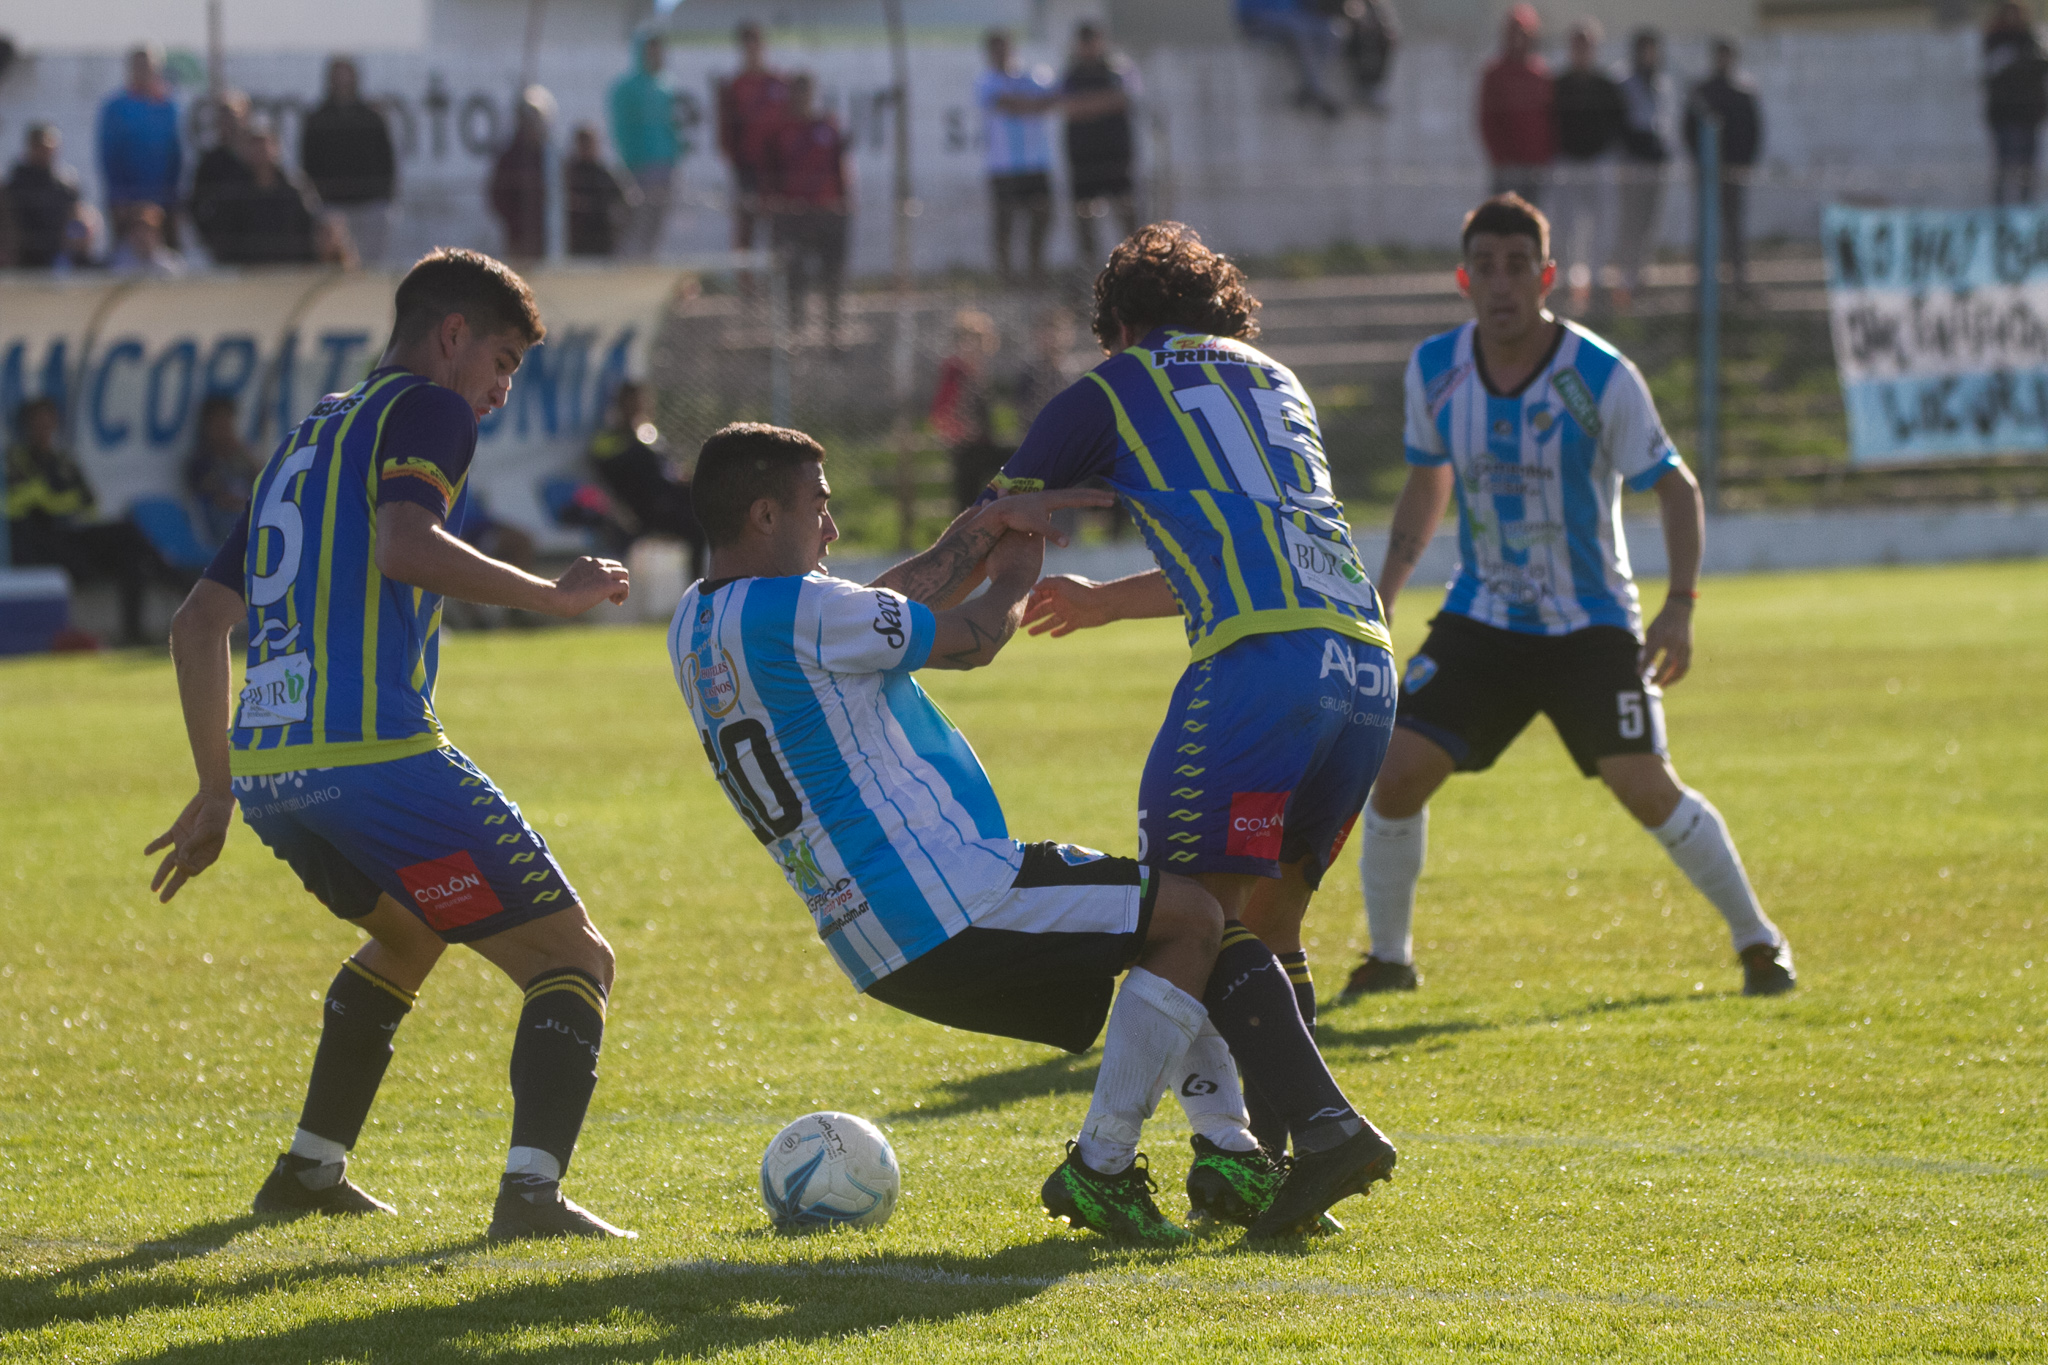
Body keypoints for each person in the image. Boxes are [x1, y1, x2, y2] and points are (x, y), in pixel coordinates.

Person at [669, 422, 1398, 1242]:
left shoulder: (700, 621)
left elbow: (880, 604)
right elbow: (977, 636)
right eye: (820, 508)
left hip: (869, 933)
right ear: (766, 516)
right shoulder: (798, 606)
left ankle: (1227, 1149)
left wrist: (975, 531)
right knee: (1194, 915)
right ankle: (1105, 1167)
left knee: (1167, 925)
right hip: (948, 895)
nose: (832, 528)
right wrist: (1021, 553)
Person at [144, 248, 638, 1241]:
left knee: (412, 935)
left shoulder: (305, 436)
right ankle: (529, 1201)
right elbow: (404, 545)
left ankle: (308, 1172)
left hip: (276, 774)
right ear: (451, 335)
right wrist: (551, 594)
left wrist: (216, 790)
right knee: (573, 958)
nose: (499, 393)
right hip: (374, 759)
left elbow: (198, 621)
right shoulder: (429, 409)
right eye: (500, 362)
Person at [982, 223, 1399, 1173]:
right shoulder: (1277, 381)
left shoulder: (1119, 382)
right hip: (1364, 663)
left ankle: (1236, 1143)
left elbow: (1002, 508)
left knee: (1181, 910)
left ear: (1118, 324)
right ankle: (1279, 1158)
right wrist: (1102, 603)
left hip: (1263, 671)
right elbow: (1245, 543)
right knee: (1269, 916)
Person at [1337, 194, 1795, 1003]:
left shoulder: (1599, 376)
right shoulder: (1435, 371)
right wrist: (1388, 588)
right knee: (1396, 772)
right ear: (1463, 278)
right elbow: (1428, 476)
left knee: (1647, 788)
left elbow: (1676, 487)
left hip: (1590, 626)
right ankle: (1390, 957)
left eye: (1519, 267)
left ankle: (1759, 940)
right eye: (1487, 268)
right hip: (1482, 617)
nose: (1503, 284)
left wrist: (1680, 603)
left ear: (1548, 277)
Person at [6, 397, 193, 646]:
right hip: (39, 543)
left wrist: (53, 499)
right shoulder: (15, 459)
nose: (44, 428)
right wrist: (57, 499)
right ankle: (178, 579)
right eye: (38, 422)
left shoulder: (62, 459)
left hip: (71, 538)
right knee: (125, 534)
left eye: (49, 422)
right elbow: (28, 500)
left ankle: (134, 632)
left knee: (130, 553)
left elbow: (88, 501)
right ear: (26, 426)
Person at [764, 73, 851, 343]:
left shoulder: (828, 126)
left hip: (827, 213)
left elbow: (841, 167)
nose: (802, 99)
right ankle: (795, 332)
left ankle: (834, 330)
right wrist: (775, 203)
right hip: (793, 216)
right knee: (795, 274)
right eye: (797, 92)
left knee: (833, 274)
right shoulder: (780, 131)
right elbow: (770, 173)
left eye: (807, 92)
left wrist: (844, 200)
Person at [586, 380, 703, 574]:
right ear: (620, 405)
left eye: (640, 403)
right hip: (642, 512)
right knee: (696, 528)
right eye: (630, 403)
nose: (636, 408)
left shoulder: (651, 435)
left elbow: (668, 472)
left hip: (670, 502)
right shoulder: (607, 440)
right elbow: (609, 475)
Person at [1551, 19, 1623, 314]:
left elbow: (1617, 121)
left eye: (1588, 44)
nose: (1582, 50)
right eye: (1577, 44)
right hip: (1567, 161)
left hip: (1598, 161)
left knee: (1600, 226)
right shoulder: (1560, 84)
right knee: (1565, 226)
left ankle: (1596, 280)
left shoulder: (1606, 85)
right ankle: (1566, 280)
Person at [978, 29, 1061, 285]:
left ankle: (1036, 272)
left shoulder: (1032, 77)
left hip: (1036, 163)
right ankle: (1006, 279)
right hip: (1003, 167)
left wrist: (1031, 103)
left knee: (1042, 219)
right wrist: (1033, 105)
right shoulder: (986, 81)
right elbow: (1008, 104)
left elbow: (1051, 99)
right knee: (1005, 225)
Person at [300, 57, 398, 267]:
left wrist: (385, 196)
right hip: (333, 205)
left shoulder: (371, 117)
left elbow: (387, 160)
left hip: (370, 205)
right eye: (337, 75)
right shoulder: (317, 118)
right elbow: (308, 163)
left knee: (371, 268)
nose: (342, 80)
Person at [1685, 39, 1763, 295]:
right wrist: (1701, 162)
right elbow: (1688, 130)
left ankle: (1738, 282)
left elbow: (1754, 131)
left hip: (1734, 172)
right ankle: (1705, 285)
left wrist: (1744, 164)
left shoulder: (1743, 93)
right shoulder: (1702, 92)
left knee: (1735, 228)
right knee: (1707, 230)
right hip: (1708, 174)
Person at [1062, 23, 1141, 267]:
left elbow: (1125, 99)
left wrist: (1087, 106)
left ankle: (1136, 265)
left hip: (1116, 154)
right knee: (1084, 218)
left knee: (1126, 213)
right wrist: (1102, 103)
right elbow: (1068, 107)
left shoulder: (1118, 70)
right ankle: (1091, 271)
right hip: (1083, 157)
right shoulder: (1071, 74)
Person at [715, 22, 789, 256]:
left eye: (756, 43)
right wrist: (734, 158)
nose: (753, 49)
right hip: (747, 166)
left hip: (777, 167)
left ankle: (777, 283)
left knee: (779, 224)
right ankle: (747, 286)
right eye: (747, 44)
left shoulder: (778, 83)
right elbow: (726, 129)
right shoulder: (735, 86)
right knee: (746, 226)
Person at [97, 45, 183, 247]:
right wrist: (119, 197)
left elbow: (177, 154)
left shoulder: (170, 105)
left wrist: (173, 195)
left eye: (148, 66)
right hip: (126, 202)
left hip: (164, 200)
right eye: (138, 66)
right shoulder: (115, 107)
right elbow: (109, 154)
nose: (143, 70)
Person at [609, 33, 684, 259]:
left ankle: (649, 266)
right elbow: (622, 128)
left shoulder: (668, 86)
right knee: (636, 224)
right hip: (639, 167)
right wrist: (628, 163)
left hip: (666, 166)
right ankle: (630, 271)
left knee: (657, 225)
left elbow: (677, 125)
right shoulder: (626, 89)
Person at [1614, 27, 1671, 311]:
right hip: (1633, 162)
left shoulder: (1661, 83)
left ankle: (1642, 275)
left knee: (1650, 223)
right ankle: (1626, 277)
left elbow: (1663, 122)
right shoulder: (1624, 82)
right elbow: (1622, 124)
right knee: (1631, 222)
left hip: (1654, 162)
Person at [211, 120, 320, 266]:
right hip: (248, 274)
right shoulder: (234, 192)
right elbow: (224, 237)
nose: (260, 150)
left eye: (265, 144)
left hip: (291, 271)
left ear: (276, 148)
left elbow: (311, 231)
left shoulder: (296, 188)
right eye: (254, 144)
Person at [931, 310, 1008, 511]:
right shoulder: (955, 373)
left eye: (978, 343)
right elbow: (939, 415)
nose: (973, 349)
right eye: (967, 342)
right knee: (969, 504)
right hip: (967, 450)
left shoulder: (979, 374)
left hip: (984, 446)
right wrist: (963, 430)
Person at [1477, 4, 1553, 205]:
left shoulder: (1540, 73)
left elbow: (1549, 118)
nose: (1519, 40)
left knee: (1532, 221)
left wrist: (1545, 155)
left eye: (1524, 35)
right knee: (1504, 222)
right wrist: (1499, 156)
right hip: (1506, 167)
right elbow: (1487, 120)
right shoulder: (1494, 73)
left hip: (1535, 165)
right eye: (1514, 34)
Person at [1985, 3, 2048, 205]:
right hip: (2004, 114)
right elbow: (1992, 72)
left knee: (2027, 167)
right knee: (2005, 165)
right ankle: (2001, 207)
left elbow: (2040, 69)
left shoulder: (2031, 41)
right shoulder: (1996, 41)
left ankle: (2025, 205)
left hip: (2028, 114)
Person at [1236, 0, 1342, 118]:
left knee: (1329, 31)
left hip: (1293, 19)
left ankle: (1311, 88)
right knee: (1298, 28)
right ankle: (1316, 91)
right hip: (1259, 19)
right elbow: (1246, 12)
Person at [183, 393, 261, 548]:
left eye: (228, 422)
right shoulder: (201, 462)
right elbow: (217, 499)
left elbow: (264, 481)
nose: (224, 428)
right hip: (222, 527)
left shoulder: (239, 456)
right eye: (219, 423)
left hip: (246, 519)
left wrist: (243, 454)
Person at [3, 124, 83, 270]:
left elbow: (75, 220)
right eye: (41, 147)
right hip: (21, 257)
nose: (46, 152)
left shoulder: (66, 185)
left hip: (57, 257)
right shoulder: (14, 185)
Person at [190, 91, 254, 264]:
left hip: (260, 245)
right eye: (222, 117)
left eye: (232, 116)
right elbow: (196, 204)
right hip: (227, 247)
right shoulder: (210, 162)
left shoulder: (259, 156)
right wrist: (212, 236)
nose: (228, 123)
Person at [490, 87, 553, 261]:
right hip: (517, 236)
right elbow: (497, 194)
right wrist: (514, 222)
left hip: (548, 235)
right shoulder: (509, 157)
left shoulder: (549, 156)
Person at [565, 123, 635, 259]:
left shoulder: (604, 173)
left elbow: (623, 201)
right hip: (576, 240)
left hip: (602, 238)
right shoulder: (569, 172)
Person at [1341, 0, 1399, 112]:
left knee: (1386, 41)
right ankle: (1363, 86)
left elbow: (1386, 16)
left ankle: (1374, 87)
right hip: (1351, 29)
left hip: (1374, 32)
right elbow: (1349, 9)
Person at [107, 201, 186, 277]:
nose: (142, 235)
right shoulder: (118, 262)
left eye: (147, 230)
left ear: (158, 233)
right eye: (137, 230)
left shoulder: (171, 262)